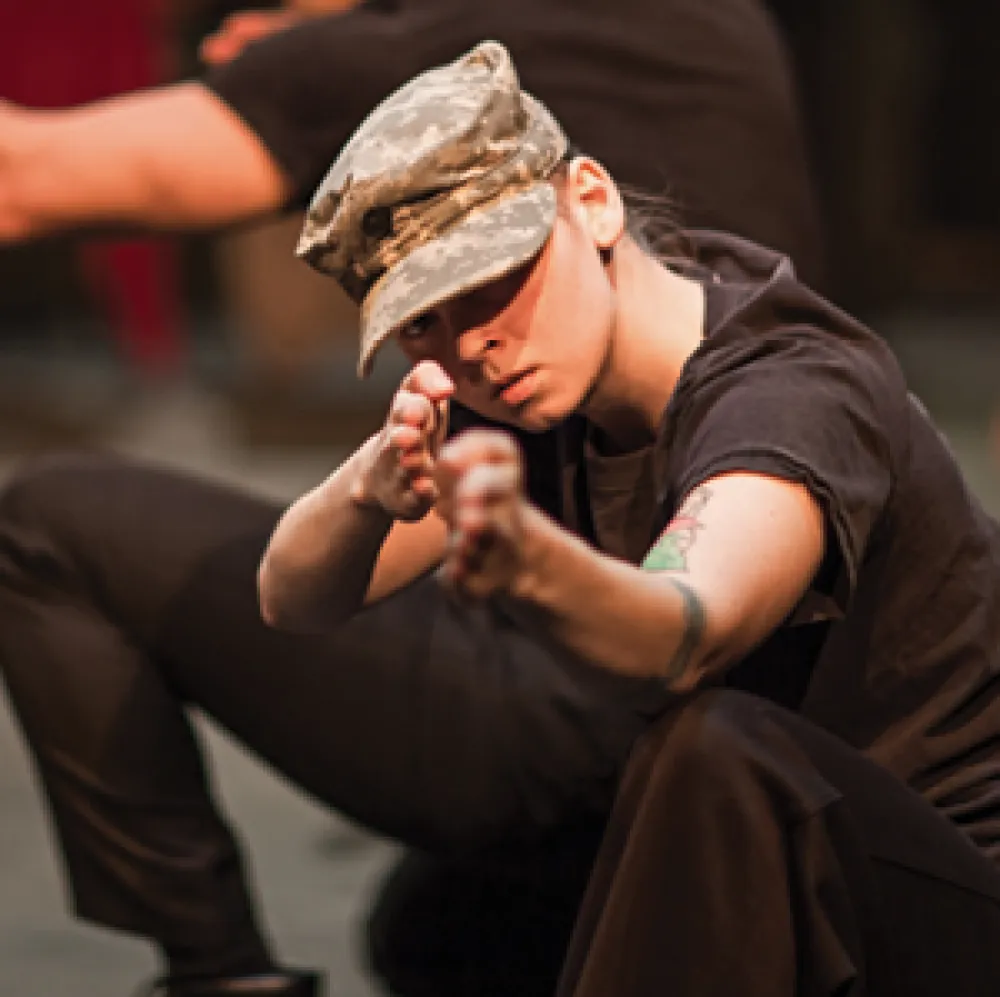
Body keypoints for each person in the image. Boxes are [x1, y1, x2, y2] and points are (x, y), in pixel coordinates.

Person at [5, 39, 997, 997]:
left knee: (711, 750)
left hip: (943, 901)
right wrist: (368, 491)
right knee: (442, 922)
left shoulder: (788, 388)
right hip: (782, 851)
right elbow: (291, 597)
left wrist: (531, 562)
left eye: (491, 279)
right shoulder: (540, 373)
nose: (471, 343)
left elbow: (686, 629)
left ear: (592, 200)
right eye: (422, 322)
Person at [0, 0, 824, 286]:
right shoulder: (718, 20)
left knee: (49, 526)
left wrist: (313, 64)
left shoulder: (430, 62)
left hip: (598, 568)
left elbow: (19, 183)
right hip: (800, 492)